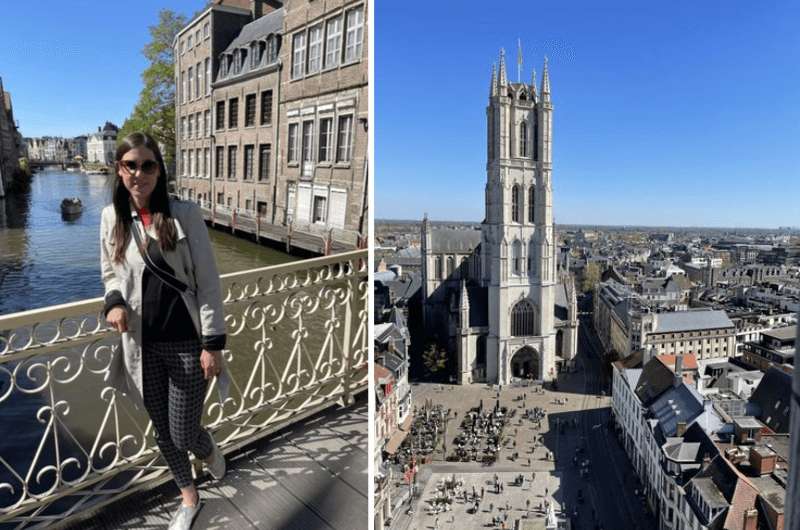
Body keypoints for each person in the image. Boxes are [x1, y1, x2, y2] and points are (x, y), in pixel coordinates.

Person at [101, 132, 228, 530]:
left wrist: (212, 343)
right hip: (142, 344)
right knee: (162, 430)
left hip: (187, 343)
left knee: (183, 429)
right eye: (131, 165)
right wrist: (114, 302)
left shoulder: (183, 215)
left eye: (148, 165)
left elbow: (207, 281)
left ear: (160, 169)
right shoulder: (110, 218)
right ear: (119, 170)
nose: (139, 173)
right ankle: (188, 499)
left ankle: (206, 448)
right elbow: (109, 273)